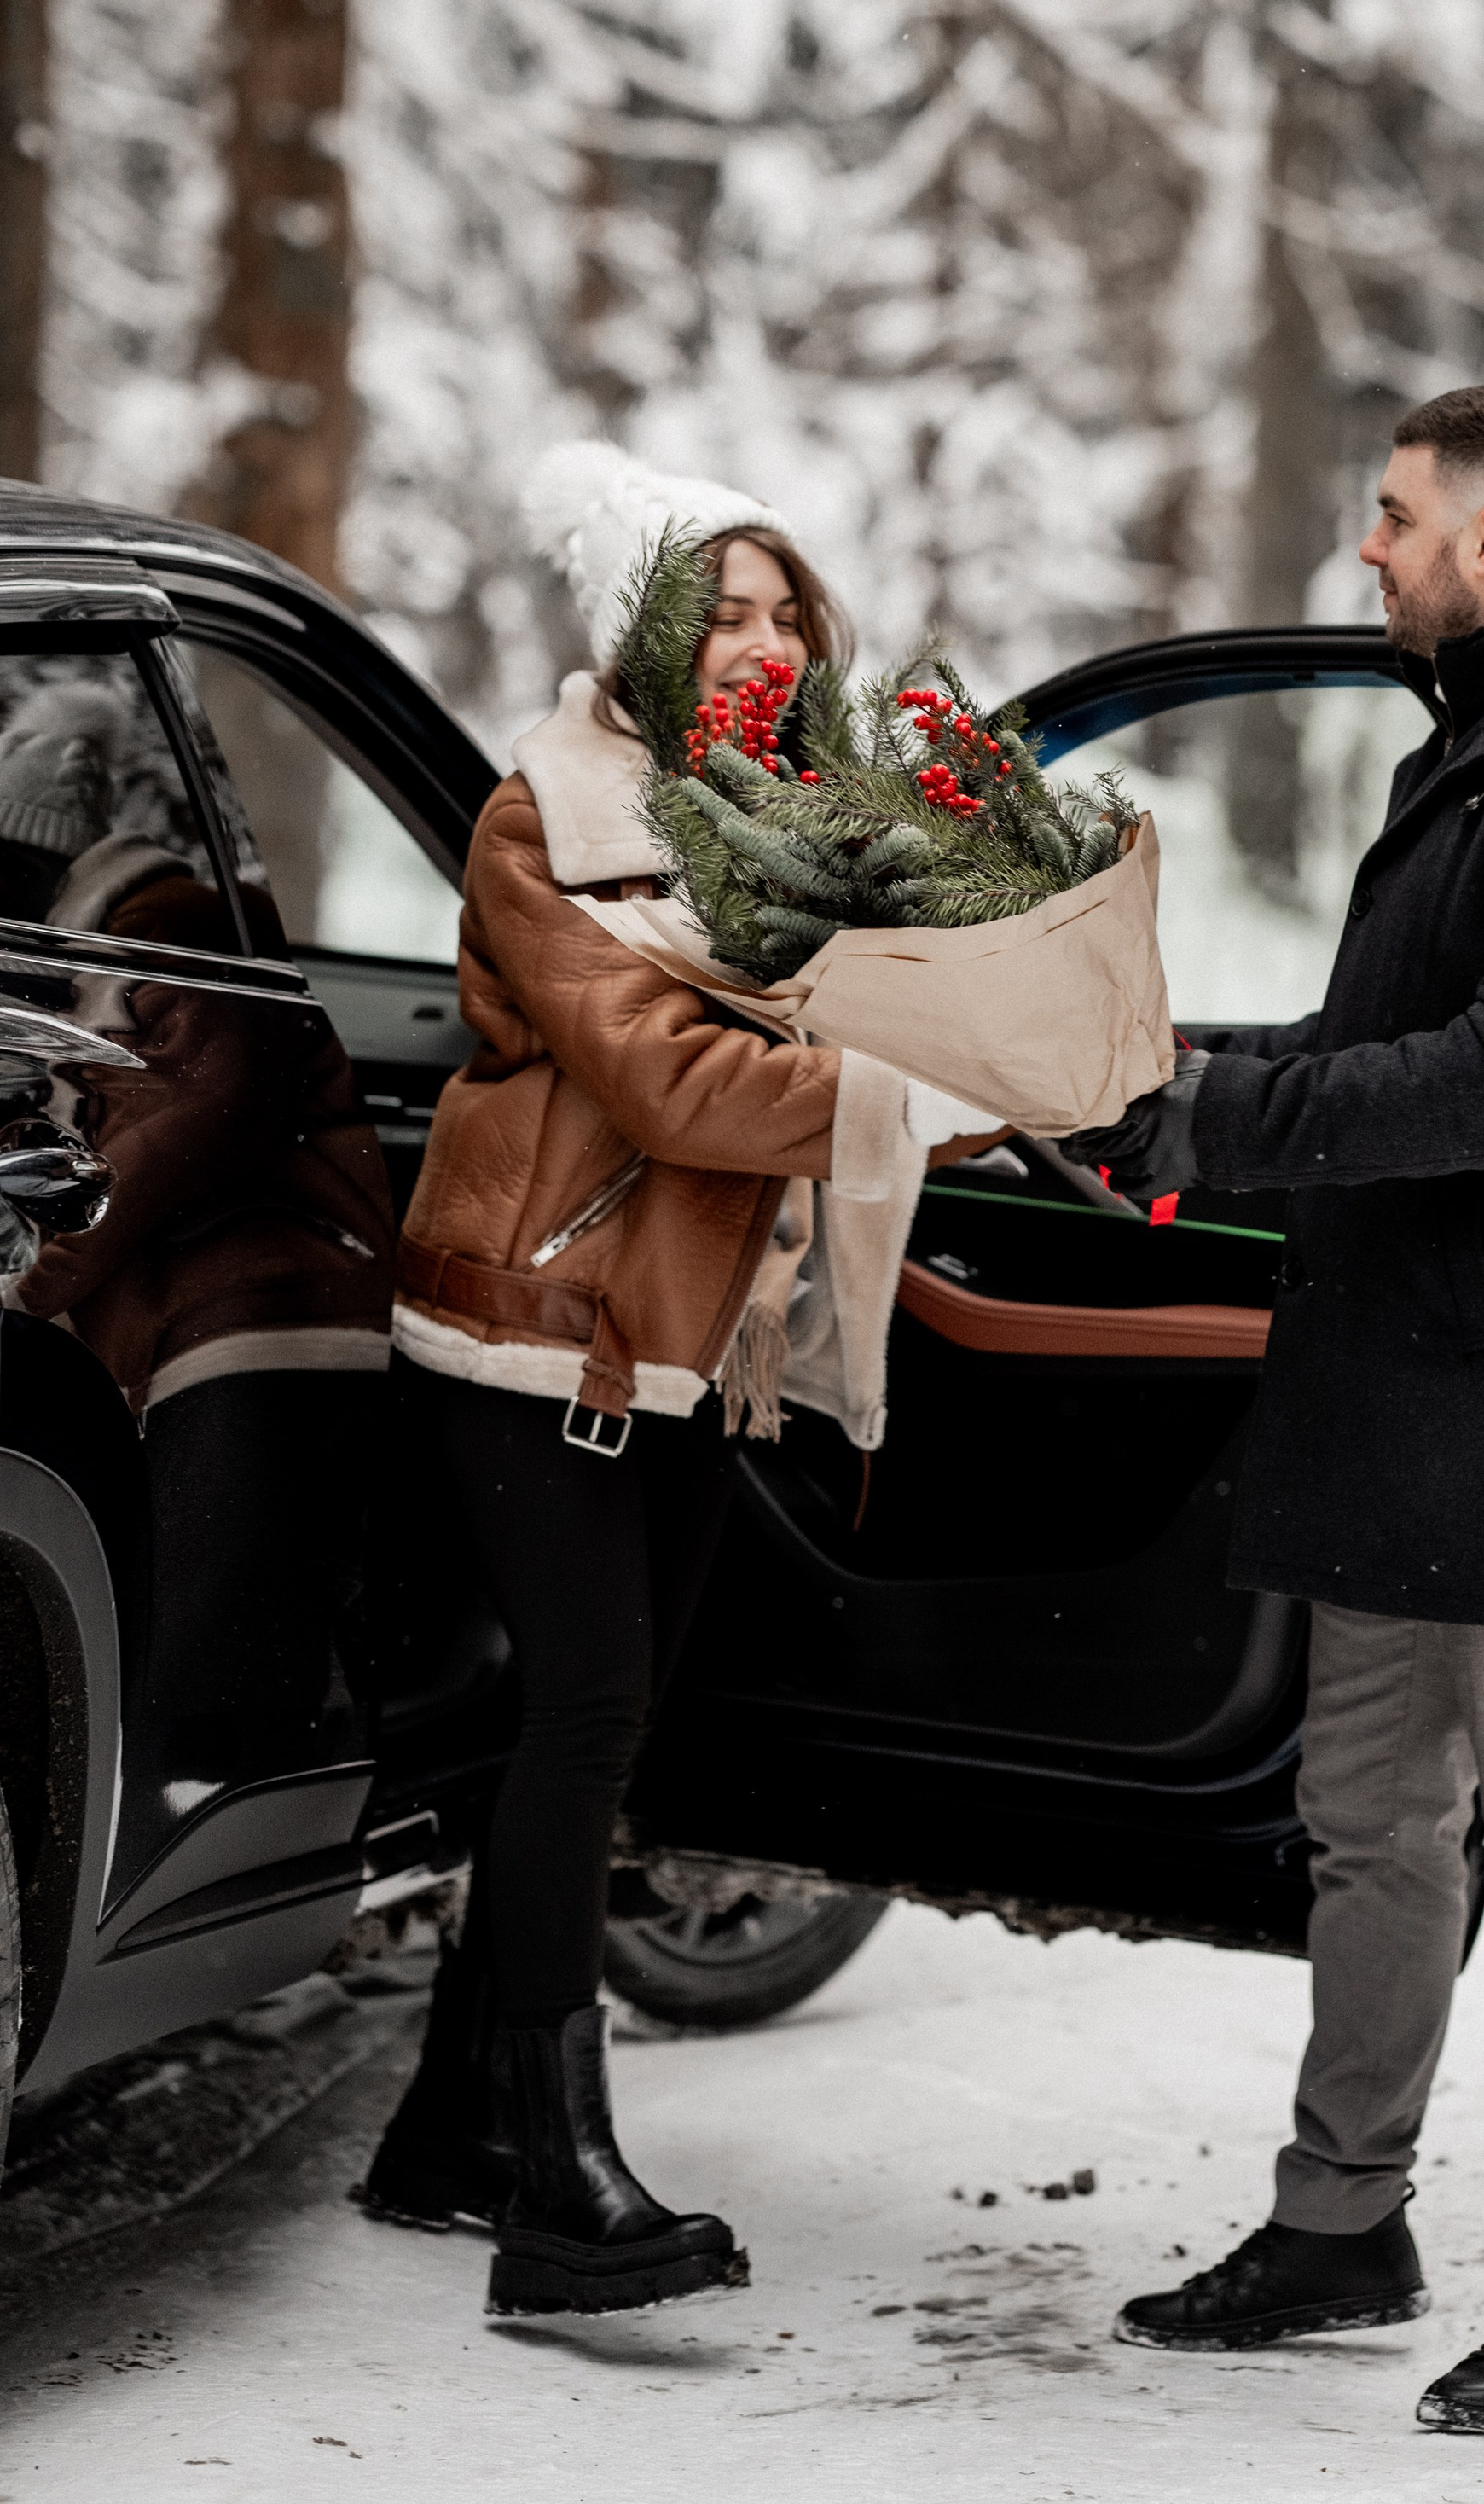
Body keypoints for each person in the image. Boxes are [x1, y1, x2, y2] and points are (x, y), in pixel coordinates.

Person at [1072, 384, 1484, 2437]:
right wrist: (1158, 1058)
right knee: (1367, 1831)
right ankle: (1338, 2220)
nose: (1362, 548)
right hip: (1405, 1397)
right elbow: (1399, 1034)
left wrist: (1214, 1117)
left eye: (1389, 516)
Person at [357, 445, 988, 2322]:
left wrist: (986, 1038)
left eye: (787, 607)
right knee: (583, 1712)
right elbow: (665, 1082)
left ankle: (445, 2130)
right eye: (725, 610)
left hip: (695, 1347)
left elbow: (859, 1046)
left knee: (614, 1727)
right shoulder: (542, 818)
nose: (768, 640)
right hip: (542, 1320)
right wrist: (902, 1091)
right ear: (642, 625)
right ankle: (557, 2188)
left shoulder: (798, 817)